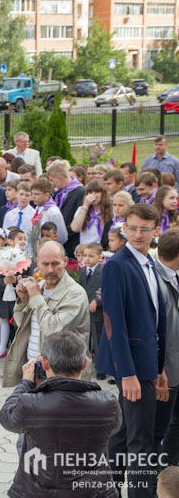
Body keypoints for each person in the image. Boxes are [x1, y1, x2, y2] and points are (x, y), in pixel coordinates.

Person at [97, 203, 168, 497]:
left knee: (124, 434)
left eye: (145, 229)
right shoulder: (116, 265)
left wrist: (159, 367)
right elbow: (114, 324)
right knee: (142, 441)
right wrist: (127, 373)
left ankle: (107, 490)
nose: (138, 234)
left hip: (148, 363)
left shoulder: (149, 262)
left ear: (156, 231)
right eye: (133, 228)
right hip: (131, 367)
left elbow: (154, 318)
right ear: (124, 227)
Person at [0, 331, 121, 498]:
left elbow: (6, 417)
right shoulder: (108, 402)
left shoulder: (30, 403)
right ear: (85, 363)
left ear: (44, 363)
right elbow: (114, 428)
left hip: (38, 492)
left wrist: (26, 382)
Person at [2, 241, 92, 387]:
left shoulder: (75, 293)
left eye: (55, 263)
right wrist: (24, 301)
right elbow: (21, 324)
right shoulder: (40, 287)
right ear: (37, 263)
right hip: (35, 370)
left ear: (65, 262)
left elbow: (53, 330)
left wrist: (36, 298)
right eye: (45, 264)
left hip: (63, 374)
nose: (50, 269)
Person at [153, 229, 179, 465]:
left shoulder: (172, 275)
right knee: (157, 431)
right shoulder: (156, 282)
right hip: (165, 372)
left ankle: (170, 468)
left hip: (175, 366)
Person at [78, 243, 105, 380]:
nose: (87, 259)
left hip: (97, 311)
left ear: (99, 257)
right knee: (85, 339)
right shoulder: (83, 271)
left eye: (91, 256)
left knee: (98, 339)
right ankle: (85, 365)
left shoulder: (103, 271)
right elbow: (81, 288)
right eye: (85, 256)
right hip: (85, 310)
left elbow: (104, 289)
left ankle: (100, 368)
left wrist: (97, 300)